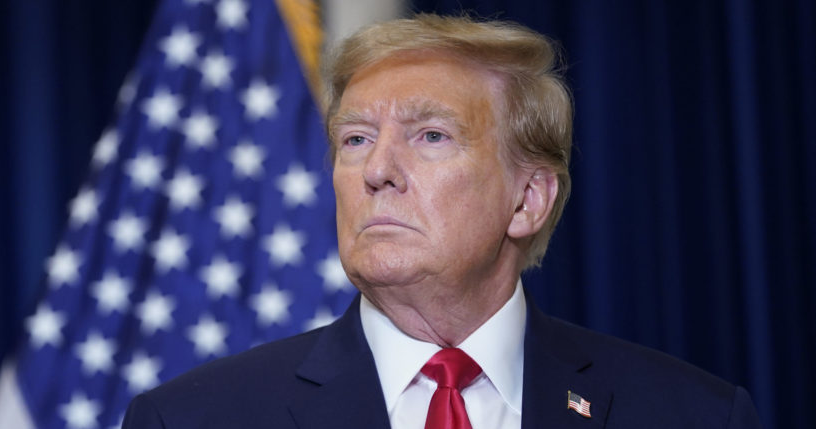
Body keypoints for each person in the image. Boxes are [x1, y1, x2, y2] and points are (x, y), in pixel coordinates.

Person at [123, 14, 763, 429]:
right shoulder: (192, 418)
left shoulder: (692, 415)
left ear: (527, 200)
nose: (377, 170)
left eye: (429, 135)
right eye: (354, 140)